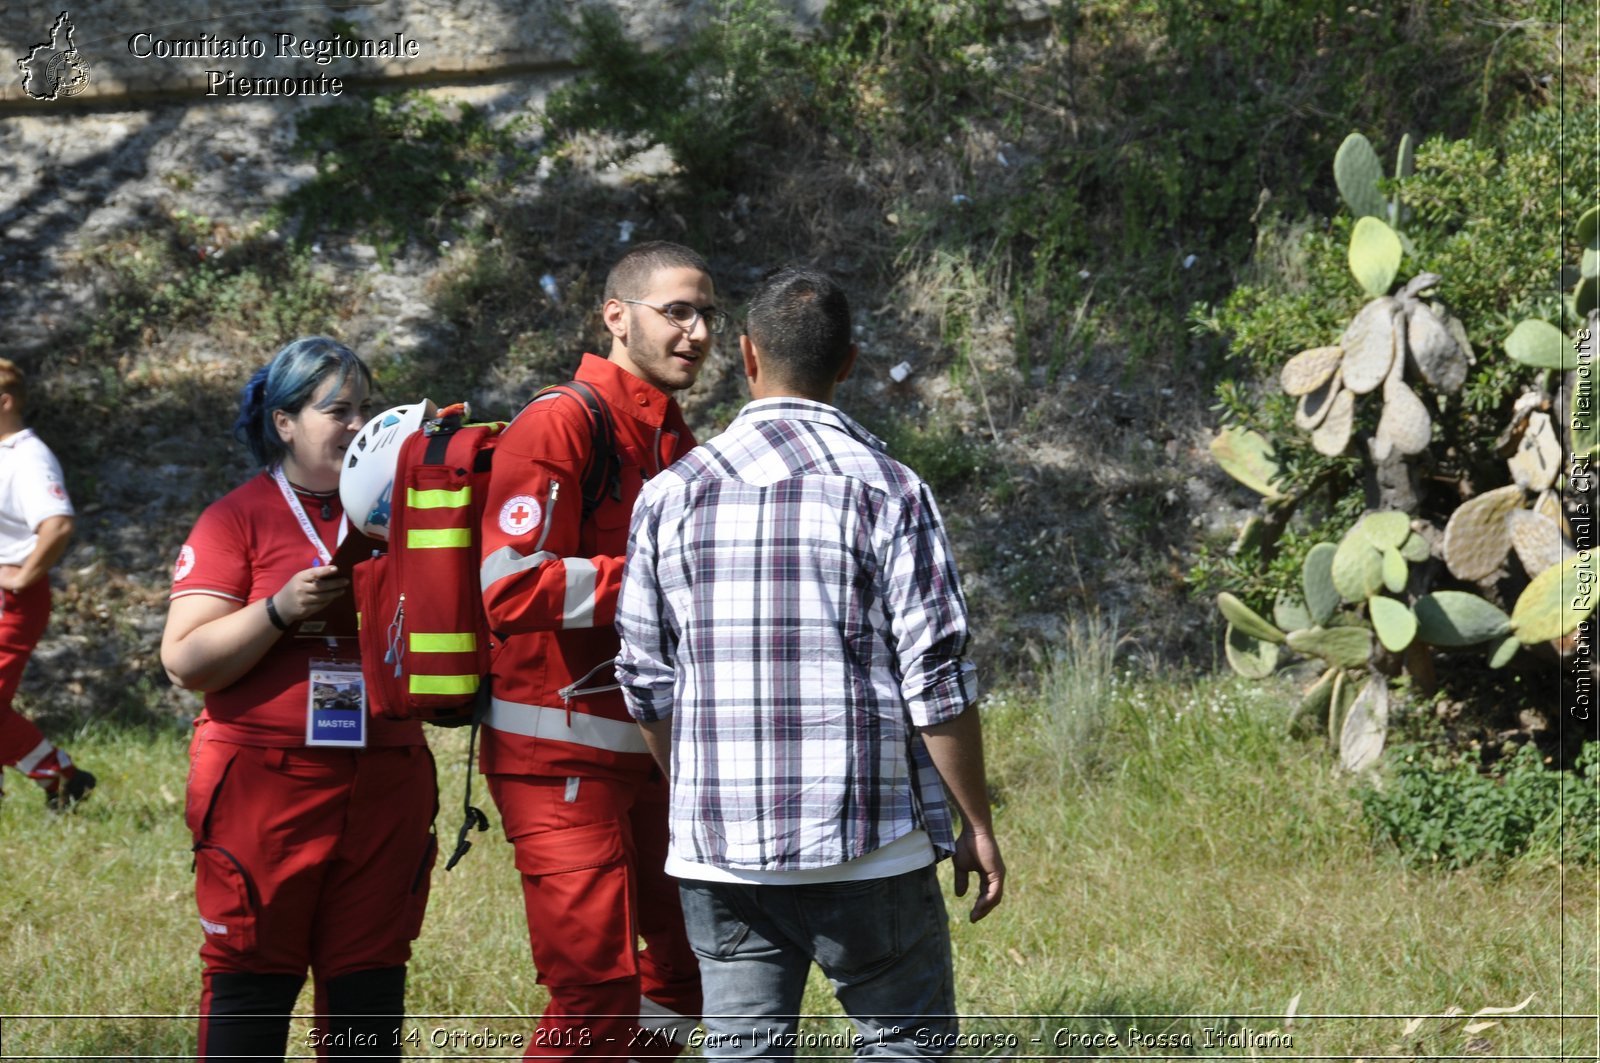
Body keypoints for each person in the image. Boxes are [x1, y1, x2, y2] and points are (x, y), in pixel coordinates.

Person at [615, 266, 1006, 1058]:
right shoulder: (890, 489)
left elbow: (646, 680)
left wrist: (694, 784)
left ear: (749, 355)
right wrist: (976, 821)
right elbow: (935, 674)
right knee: (904, 1043)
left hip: (718, 851)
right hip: (871, 846)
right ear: (849, 364)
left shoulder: (670, 494)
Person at [160, 337, 438, 1062]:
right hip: (264, 792)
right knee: (252, 980)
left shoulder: (405, 519)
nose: (355, 425)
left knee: (368, 992)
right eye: (335, 410)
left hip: (384, 786)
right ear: (285, 422)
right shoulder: (238, 517)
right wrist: (278, 609)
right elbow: (185, 659)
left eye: (365, 410)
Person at [477, 242, 715, 1058]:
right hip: (555, 755)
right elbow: (508, 586)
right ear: (616, 316)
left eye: (708, 314)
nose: (698, 331)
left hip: (650, 754)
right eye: (677, 311)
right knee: (595, 993)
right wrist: (654, 577)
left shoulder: (674, 437)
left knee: (690, 975)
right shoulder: (559, 420)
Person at [0, 359, 94, 811]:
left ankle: (60, 775)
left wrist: (23, 576)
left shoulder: (28, 457)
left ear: (6, 402)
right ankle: (63, 776)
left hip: (10, 599)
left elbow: (56, 525)